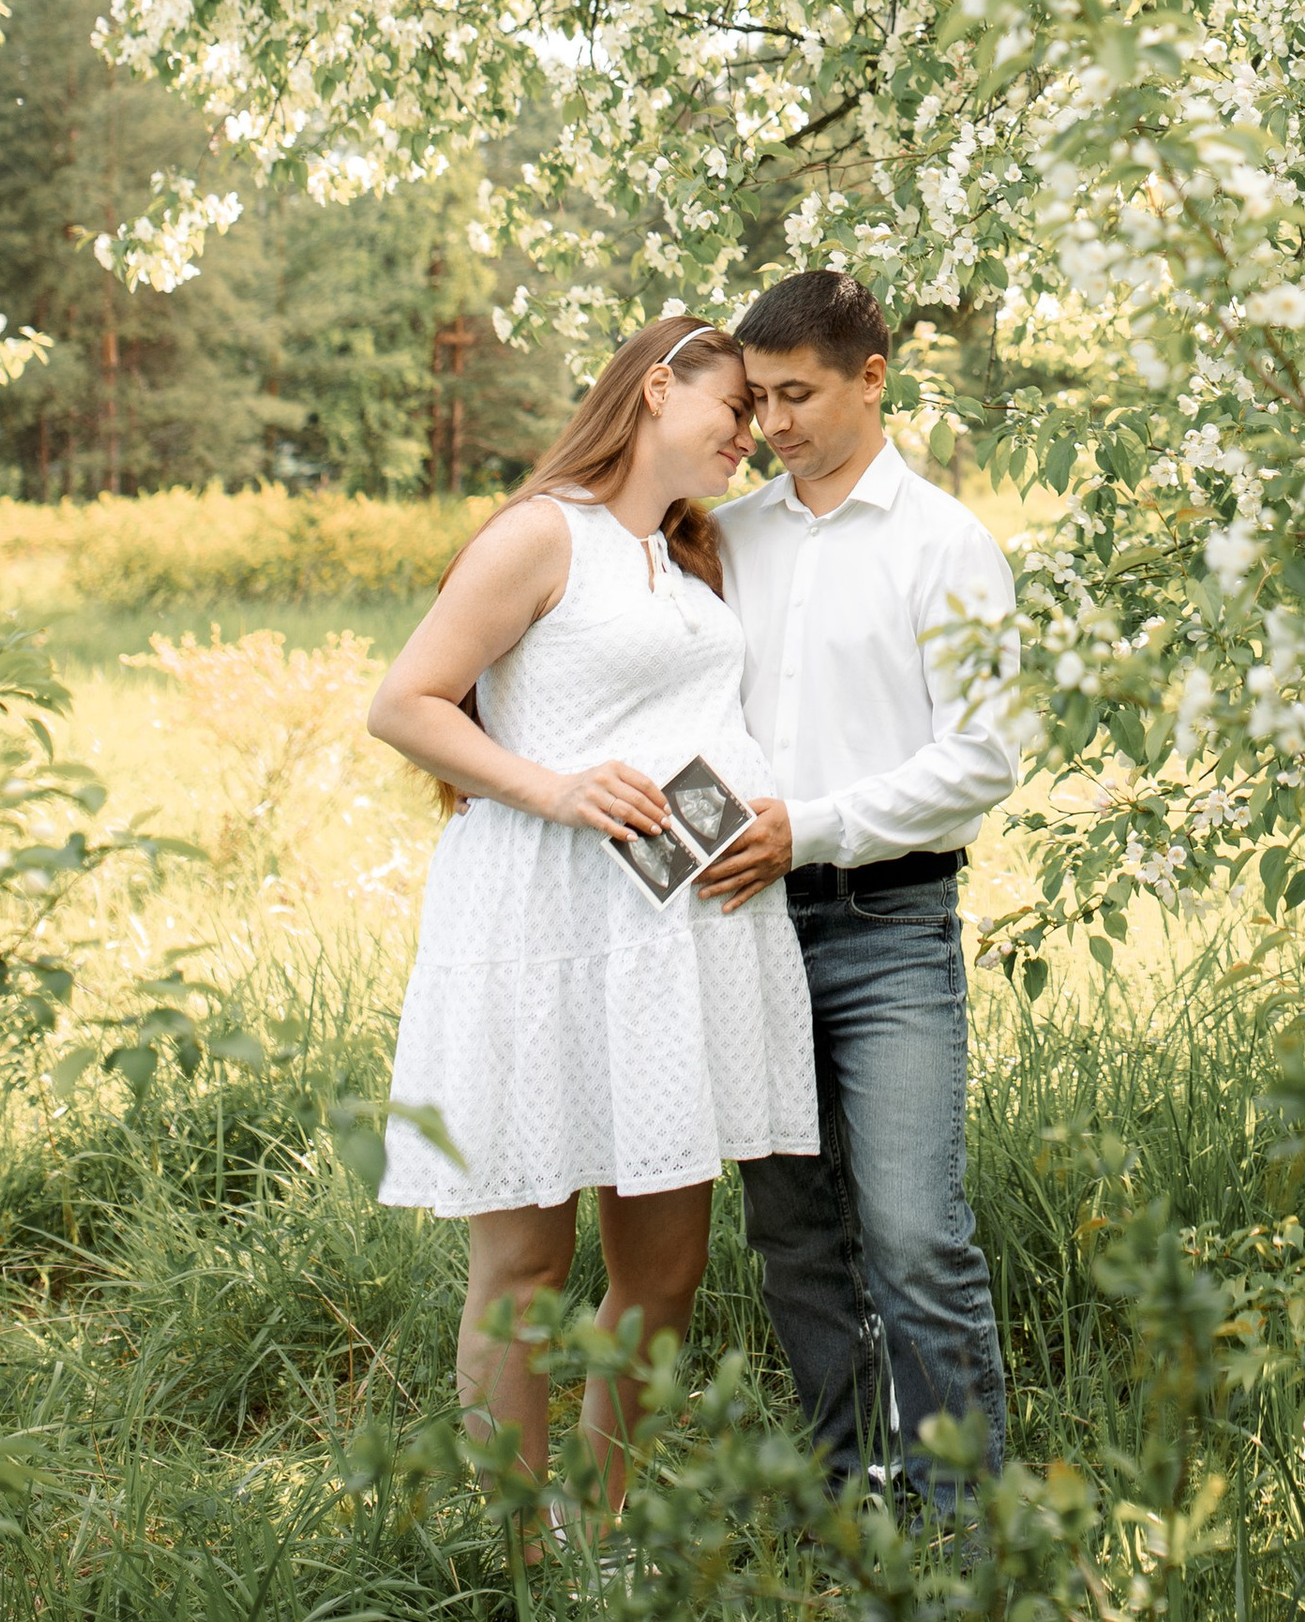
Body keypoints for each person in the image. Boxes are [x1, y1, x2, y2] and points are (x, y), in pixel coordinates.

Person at [366, 320, 819, 1525]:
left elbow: (709, 726)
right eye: (733, 409)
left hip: (674, 943)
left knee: (665, 1272)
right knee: (526, 1266)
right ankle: (512, 1556)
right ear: (656, 389)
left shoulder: (684, 557)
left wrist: (761, 818)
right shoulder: (542, 532)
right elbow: (404, 703)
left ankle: (595, 1522)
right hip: (540, 931)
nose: (751, 434)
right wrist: (558, 788)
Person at [691, 269, 1017, 1509]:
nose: (769, 425)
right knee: (794, 1240)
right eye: (757, 399)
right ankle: (846, 1495)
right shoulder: (731, 540)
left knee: (916, 1240)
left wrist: (810, 830)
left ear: (872, 379)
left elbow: (979, 759)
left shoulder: (947, 544)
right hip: (746, 926)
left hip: (890, 930)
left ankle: (967, 1528)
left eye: (796, 394)